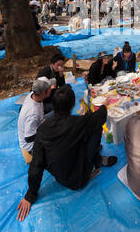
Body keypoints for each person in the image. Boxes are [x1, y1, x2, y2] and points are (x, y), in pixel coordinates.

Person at [16, 85, 117, 221]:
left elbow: (36, 164)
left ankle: (94, 158)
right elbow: (100, 117)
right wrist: (104, 105)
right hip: (80, 177)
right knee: (95, 127)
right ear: (72, 105)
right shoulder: (79, 122)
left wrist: (30, 195)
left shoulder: (43, 128)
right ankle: (95, 160)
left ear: (54, 105)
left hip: (61, 176)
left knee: (83, 130)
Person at [18, 77, 55, 159]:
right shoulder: (33, 113)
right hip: (31, 145)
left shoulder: (32, 95)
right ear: (43, 92)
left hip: (38, 123)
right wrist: (48, 131)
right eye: (49, 88)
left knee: (57, 113)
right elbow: (28, 138)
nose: (51, 89)